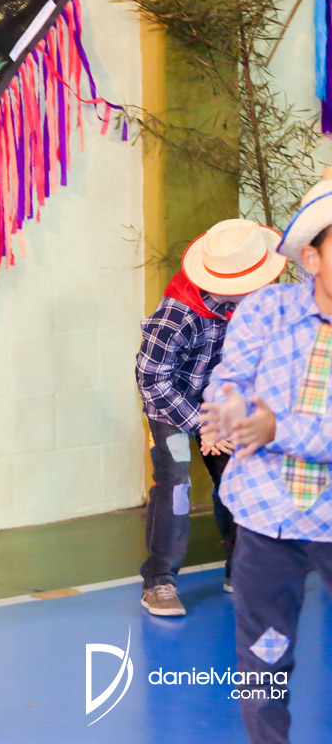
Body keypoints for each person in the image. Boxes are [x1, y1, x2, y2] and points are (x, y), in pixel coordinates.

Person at [201, 171, 332, 743]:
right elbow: (229, 377)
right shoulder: (266, 310)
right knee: (263, 660)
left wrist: (276, 428)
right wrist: (227, 405)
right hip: (264, 517)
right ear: (312, 257)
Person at [135, 219, 285, 616]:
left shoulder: (252, 308)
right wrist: (200, 424)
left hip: (221, 402)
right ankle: (159, 582)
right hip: (171, 404)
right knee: (175, 483)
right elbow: (151, 378)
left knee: (239, 475)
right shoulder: (178, 315)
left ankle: (243, 571)